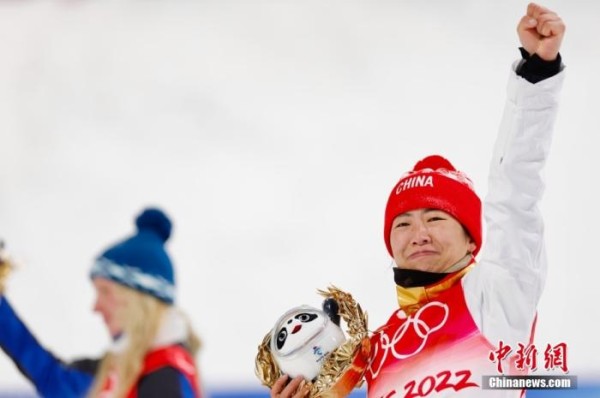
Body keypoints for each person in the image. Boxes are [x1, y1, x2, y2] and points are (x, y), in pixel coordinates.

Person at [270, 2, 565, 397]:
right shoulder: (377, 349)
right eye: (403, 223)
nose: (419, 233)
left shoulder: (497, 297)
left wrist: (536, 74)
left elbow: (515, 189)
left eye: (437, 218)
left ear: (472, 240)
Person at [0, 207, 203, 397]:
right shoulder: (126, 369)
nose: (96, 307)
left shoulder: (163, 379)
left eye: (105, 292)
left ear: (137, 300)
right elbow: (52, 377)